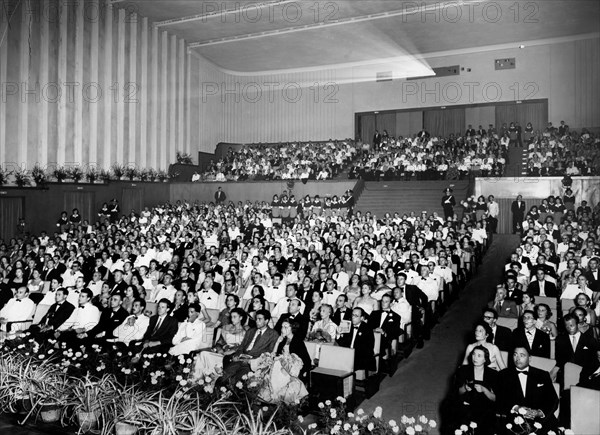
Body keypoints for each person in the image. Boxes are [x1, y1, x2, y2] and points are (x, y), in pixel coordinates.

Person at [496, 346, 559, 432]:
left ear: (530, 358)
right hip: (514, 419)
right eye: (515, 355)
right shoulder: (503, 375)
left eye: (522, 355)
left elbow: (553, 399)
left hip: (540, 420)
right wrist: (517, 408)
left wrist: (539, 413)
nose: (517, 358)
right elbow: (500, 399)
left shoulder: (542, 375)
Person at [255, 319, 310, 404]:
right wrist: (277, 343)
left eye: (285, 327)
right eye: (282, 327)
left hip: (291, 370)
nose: (282, 329)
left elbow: (306, 361)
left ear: (292, 329)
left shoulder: (298, 342)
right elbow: (273, 356)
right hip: (279, 367)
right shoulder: (282, 340)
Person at [219, 309, 279, 386]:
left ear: (266, 321)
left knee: (236, 381)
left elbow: (269, 352)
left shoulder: (273, 334)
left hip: (253, 363)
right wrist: (237, 355)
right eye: (256, 319)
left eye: (260, 319)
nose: (257, 321)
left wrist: (252, 360)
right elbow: (241, 347)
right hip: (240, 359)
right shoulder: (251, 331)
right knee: (224, 377)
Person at [453, 345, 498, 435]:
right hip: (467, 405)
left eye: (479, 356)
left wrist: (485, 390)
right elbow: (457, 392)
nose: (475, 358)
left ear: (485, 359)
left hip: (485, 407)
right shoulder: (463, 370)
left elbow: (495, 398)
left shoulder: (493, 374)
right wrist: (465, 387)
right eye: (474, 354)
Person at [192, 308, 247, 379]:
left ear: (241, 318)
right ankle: (197, 378)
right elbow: (219, 342)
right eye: (231, 317)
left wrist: (231, 351)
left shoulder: (245, 332)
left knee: (205, 355)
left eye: (234, 317)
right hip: (222, 353)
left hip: (231, 357)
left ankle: (213, 378)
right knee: (203, 353)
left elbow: (242, 347)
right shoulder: (227, 328)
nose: (232, 319)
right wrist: (219, 349)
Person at [336, 307, 376, 372]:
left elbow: (368, 348)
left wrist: (351, 353)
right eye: (352, 315)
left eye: (356, 316)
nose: (353, 317)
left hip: (361, 357)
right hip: (347, 354)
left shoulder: (367, 329)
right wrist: (338, 334)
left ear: (362, 318)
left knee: (346, 362)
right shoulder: (347, 325)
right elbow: (341, 343)